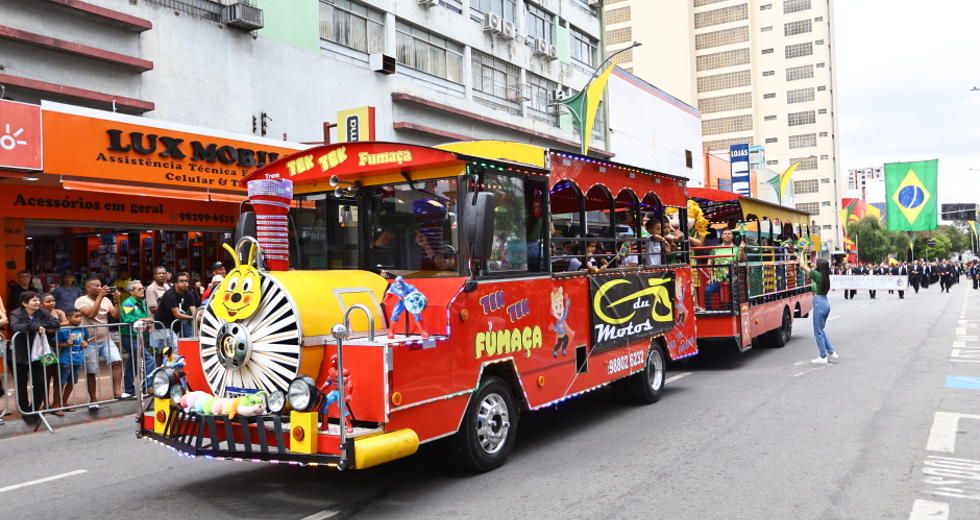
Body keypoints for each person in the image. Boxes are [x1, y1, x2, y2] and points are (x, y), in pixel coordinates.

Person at [9, 291, 61, 424]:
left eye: (38, 299)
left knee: (40, 382)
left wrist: (42, 326)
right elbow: (15, 327)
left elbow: (56, 323)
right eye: (34, 300)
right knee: (21, 384)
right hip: (19, 354)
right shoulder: (16, 313)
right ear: (24, 303)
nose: (37, 302)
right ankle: (25, 410)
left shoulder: (42, 313)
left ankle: (35, 408)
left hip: (38, 354)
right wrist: (36, 326)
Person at [75, 278, 124, 407]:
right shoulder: (81, 301)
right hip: (89, 341)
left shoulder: (107, 300)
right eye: (96, 286)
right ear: (87, 288)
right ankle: (93, 399)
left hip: (105, 339)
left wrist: (117, 301)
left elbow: (116, 315)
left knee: (117, 361)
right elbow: (91, 314)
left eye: (100, 285)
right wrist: (100, 297)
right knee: (92, 370)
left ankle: (118, 392)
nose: (99, 288)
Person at [800, 251, 838, 364]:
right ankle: (831, 351)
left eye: (815, 263)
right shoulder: (824, 276)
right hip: (825, 302)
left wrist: (802, 254)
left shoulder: (818, 276)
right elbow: (806, 267)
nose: (813, 264)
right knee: (821, 330)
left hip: (819, 303)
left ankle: (823, 357)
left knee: (817, 332)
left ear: (819, 266)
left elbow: (802, 266)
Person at [120, 281, 155, 397]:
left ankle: (129, 389)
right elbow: (128, 318)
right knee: (149, 359)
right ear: (131, 292)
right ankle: (148, 386)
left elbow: (143, 319)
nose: (142, 290)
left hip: (139, 336)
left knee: (133, 363)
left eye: (142, 288)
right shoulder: (128, 303)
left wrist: (145, 322)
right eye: (139, 289)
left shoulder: (142, 303)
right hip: (130, 337)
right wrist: (145, 320)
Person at [40, 293, 69, 412]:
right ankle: (45, 403)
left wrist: (54, 325)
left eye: (53, 300)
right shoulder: (40, 314)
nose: (52, 303)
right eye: (48, 301)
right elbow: (51, 330)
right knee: (46, 377)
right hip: (45, 349)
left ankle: (56, 403)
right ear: (41, 303)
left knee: (58, 377)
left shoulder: (59, 312)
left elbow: (69, 324)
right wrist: (57, 325)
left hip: (60, 348)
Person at [704, 228, 746, 310]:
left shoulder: (736, 248)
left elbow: (741, 259)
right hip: (718, 278)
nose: (727, 235)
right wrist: (711, 276)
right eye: (725, 233)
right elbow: (709, 262)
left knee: (734, 293)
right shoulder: (715, 248)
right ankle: (709, 311)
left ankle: (733, 310)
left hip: (733, 278)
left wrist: (741, 250)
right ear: (722, 236)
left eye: (729, 233)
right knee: (707, 290)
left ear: (732, 236)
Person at [57, 309, 89, 413]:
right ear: (68, 318)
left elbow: (86, 339)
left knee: (72, 382)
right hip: (65, 360)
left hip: (78, 359)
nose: (79, 319)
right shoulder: (62, 331)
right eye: (76, 317)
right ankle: (56, 404)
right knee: (61, 382)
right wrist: (65, 344)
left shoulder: (83, 329)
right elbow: (54, 343)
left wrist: (85, 343)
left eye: (80, 316)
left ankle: (64, 402)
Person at [153, 272, 196, 345]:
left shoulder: (189, 294)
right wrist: (194, 317)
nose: (184, 283)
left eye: (186, 281)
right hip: (162, 326)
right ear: (175, 283)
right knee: (171, 347)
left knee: (167, 349)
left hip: (175, 326)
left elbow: (194, 312)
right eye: (181, 281)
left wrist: (196, 317)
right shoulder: (169, 295)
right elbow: (177, 315)